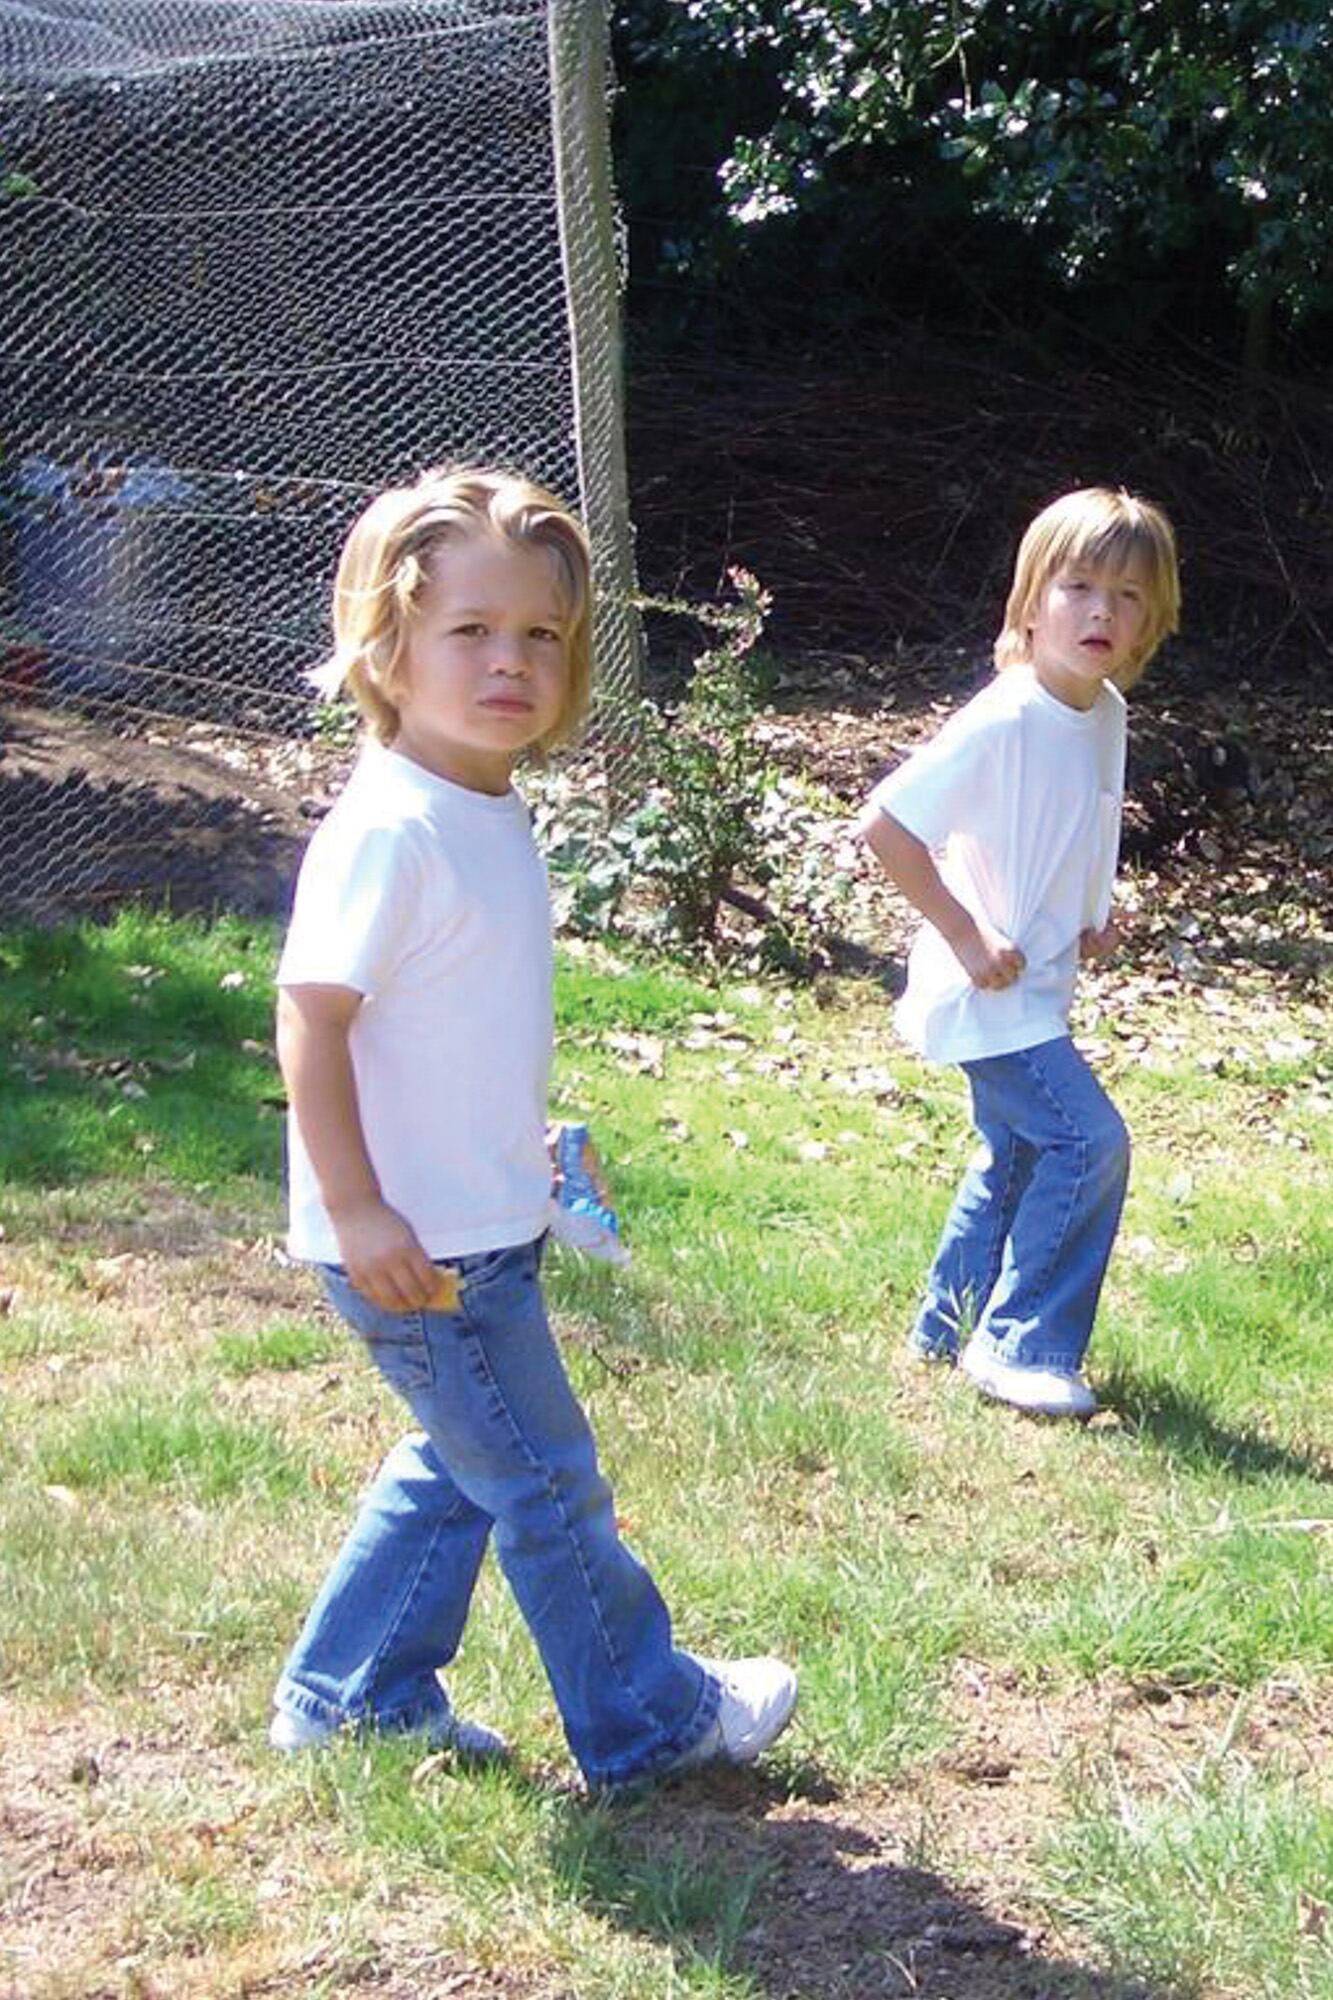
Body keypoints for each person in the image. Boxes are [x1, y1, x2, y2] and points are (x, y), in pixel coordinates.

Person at [268, 467, 797, 1788]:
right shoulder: (392, 828)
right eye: (470, 632)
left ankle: (350, 1695)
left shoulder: (487, 803)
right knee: (547, 1482)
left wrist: (526, 1135)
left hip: (483, 1214)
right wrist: (358, 1208)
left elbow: (444, 1013)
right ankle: (650, 1718)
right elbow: (312, 1022)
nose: (511, 661)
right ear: (384, 651)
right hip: (420, 1242)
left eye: (542, 637)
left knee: (462, 1463)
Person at [859, 487, 1180, 1418]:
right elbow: (884, 826)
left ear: (1150, 620)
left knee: (1019, 1157)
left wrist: (1090, 913)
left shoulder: (1103, 710)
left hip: (1040, 982)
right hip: (987, 996)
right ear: (1030, 600)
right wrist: (965, 934)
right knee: (1087, 1142)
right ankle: (1019, 1345)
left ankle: (946, 1326)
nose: (1100, 613)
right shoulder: (1003, 718)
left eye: (1126, 597)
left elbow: (1072, 821)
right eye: (1078, 586)